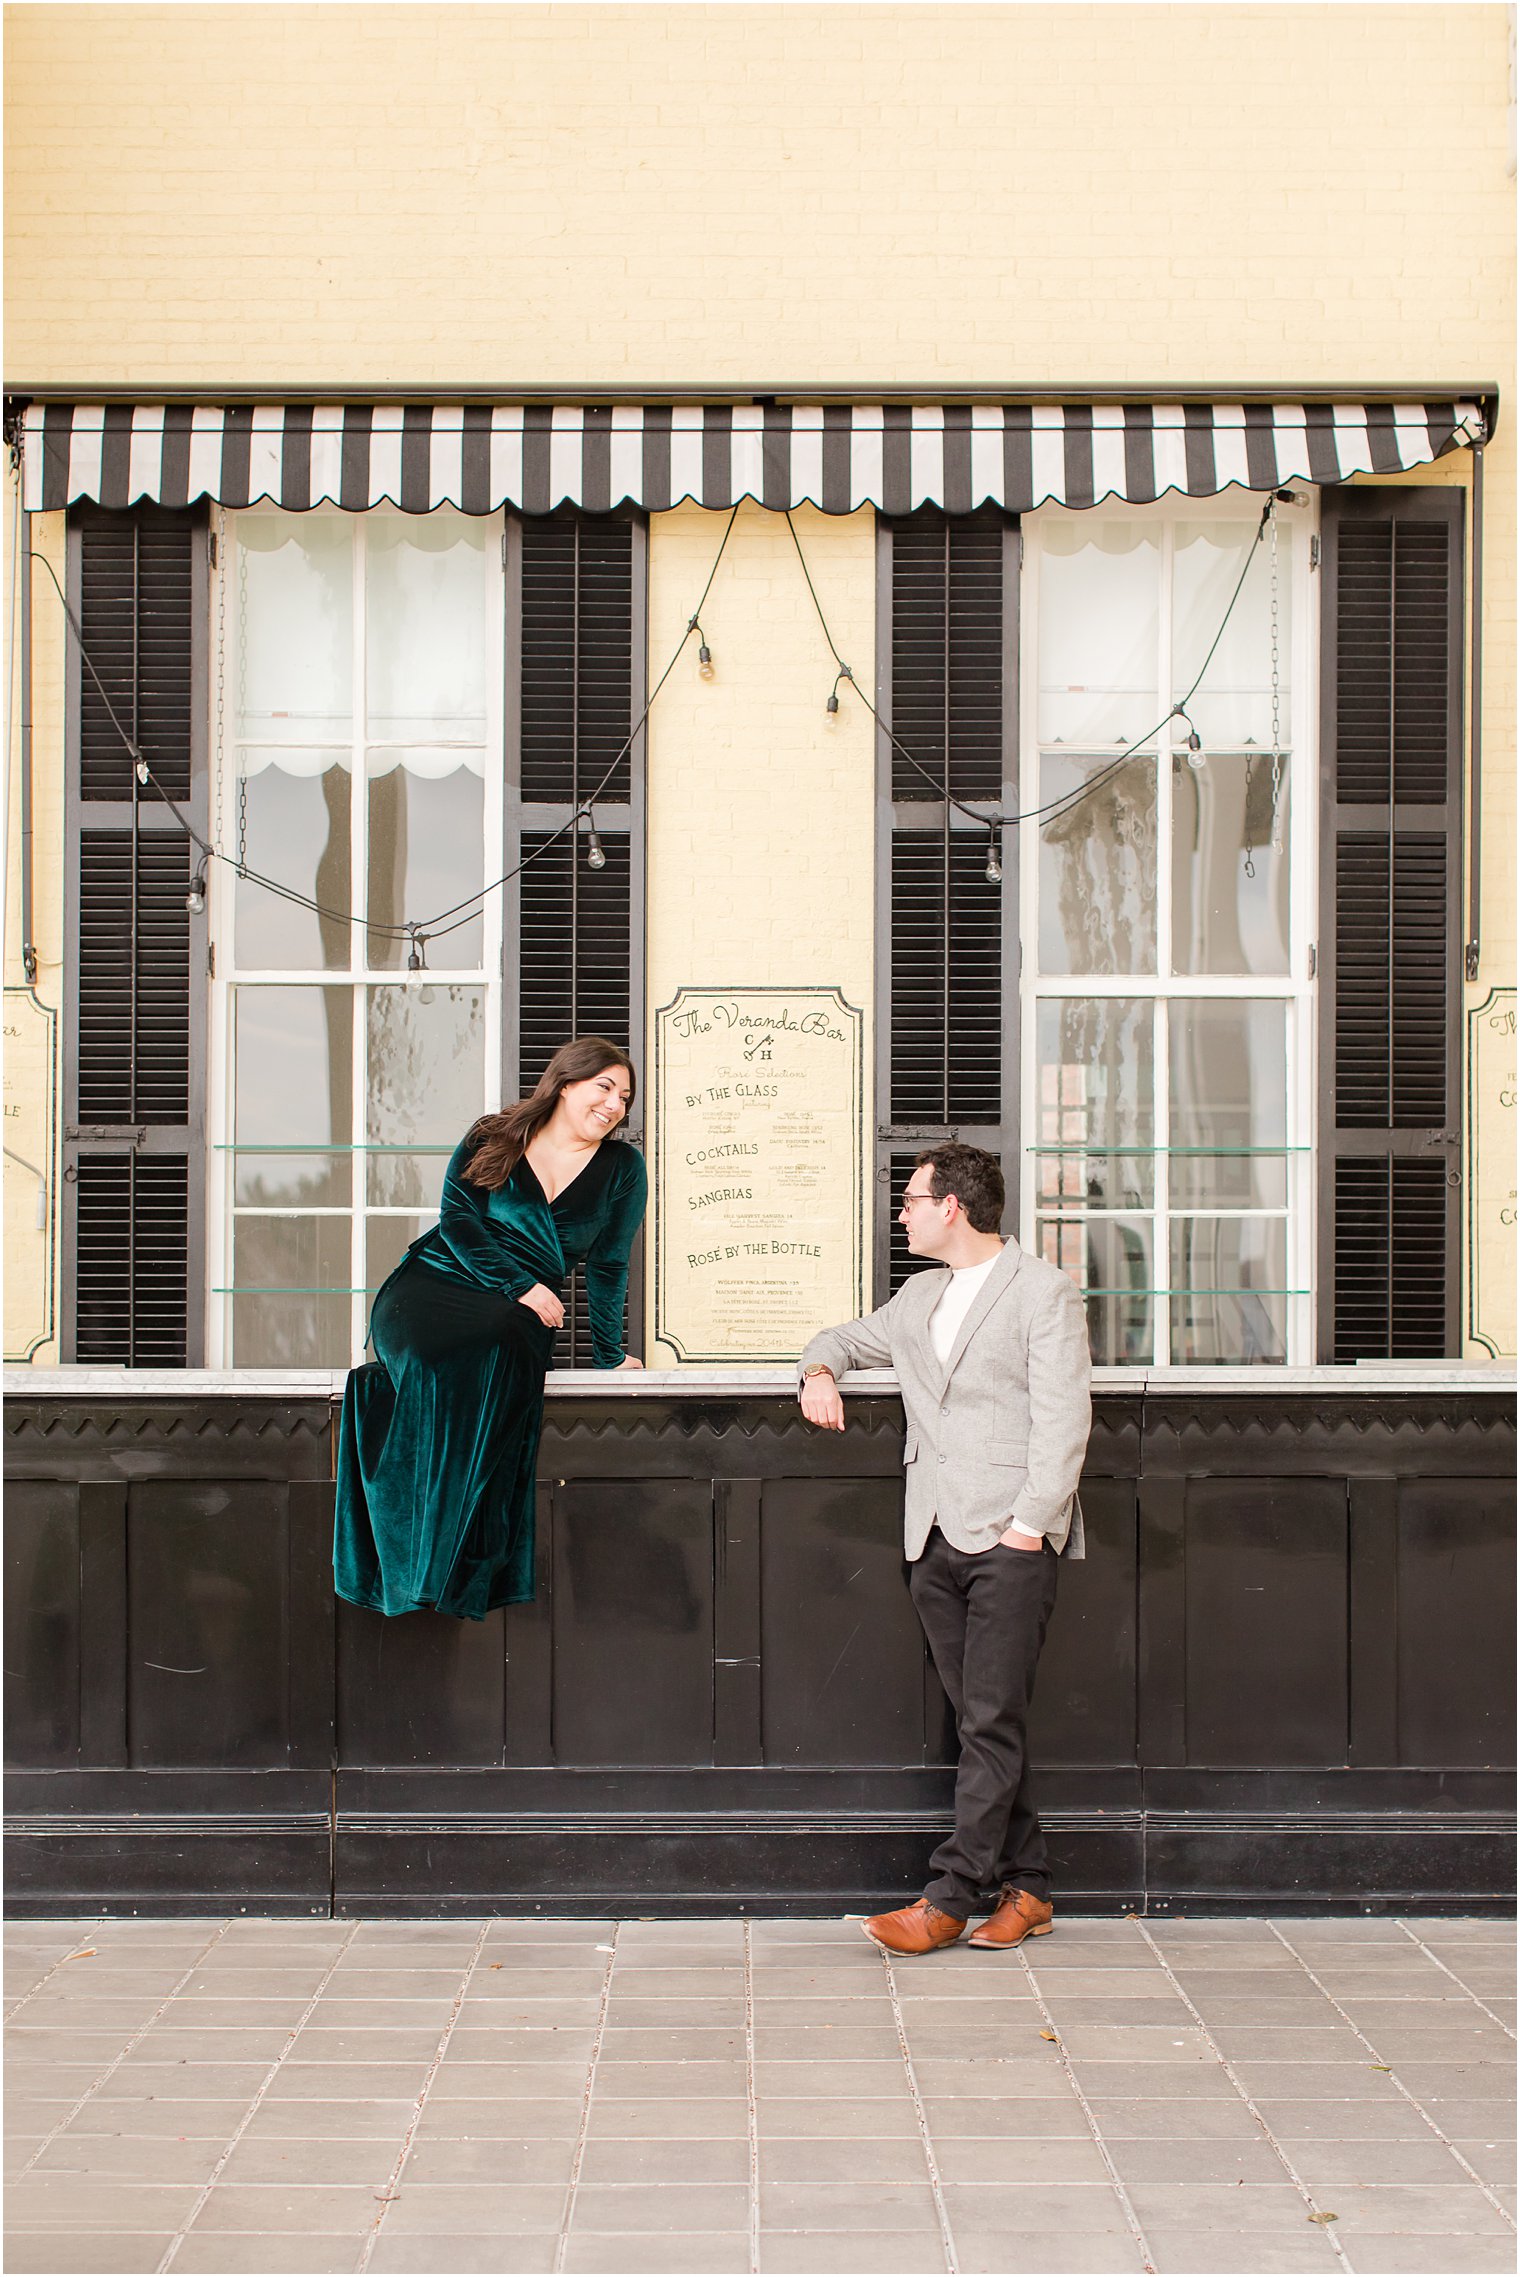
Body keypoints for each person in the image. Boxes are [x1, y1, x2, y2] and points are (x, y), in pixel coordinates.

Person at [798, 1143, 1090, 1954]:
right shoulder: (920, 1293)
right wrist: (818, 1369)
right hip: (930, 1534)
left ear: (951, 1205)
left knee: (990, 1718)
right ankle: (1028, 1886)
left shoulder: (1044, 1292)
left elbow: (1066, 1419)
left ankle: (951, 1895)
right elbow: (843, 1338)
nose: (904, 1212)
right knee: (981, 1720)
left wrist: (1028, 1525)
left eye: (913, 1199)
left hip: (1011, 1537)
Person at [335, 1036, 647, 1621]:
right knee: (440, 1362)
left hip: (515, 1314)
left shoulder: (623, 1170)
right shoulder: (494, 1136)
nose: (614, 1105)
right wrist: (522, 1286)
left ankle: (452, 1568)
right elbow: (456, 1220)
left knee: (501, 1348)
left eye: (625, 1097)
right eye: (604, 1087)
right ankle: (412, 1560)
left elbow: (609, 1265)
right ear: (565, 1083)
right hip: (433, 1282)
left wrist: (608, 1354)